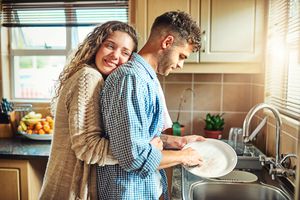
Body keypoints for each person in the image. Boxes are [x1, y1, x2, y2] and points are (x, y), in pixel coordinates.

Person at [97, 11, 203, 200]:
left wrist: (176, 142)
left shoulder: (146, 78)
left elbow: (138, 136)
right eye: (181, 56)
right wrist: (184, 156)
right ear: (167, 42)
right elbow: (134, 157)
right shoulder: (129, 79)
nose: (180, 64)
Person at [39, 21, 145, 200]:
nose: (115, 55)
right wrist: (138, 151)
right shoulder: (89, 77)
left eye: (125, 52)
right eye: (110, 46)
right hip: (68, 191)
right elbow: (88, 147)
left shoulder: (97, 79)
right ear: (97, 46)